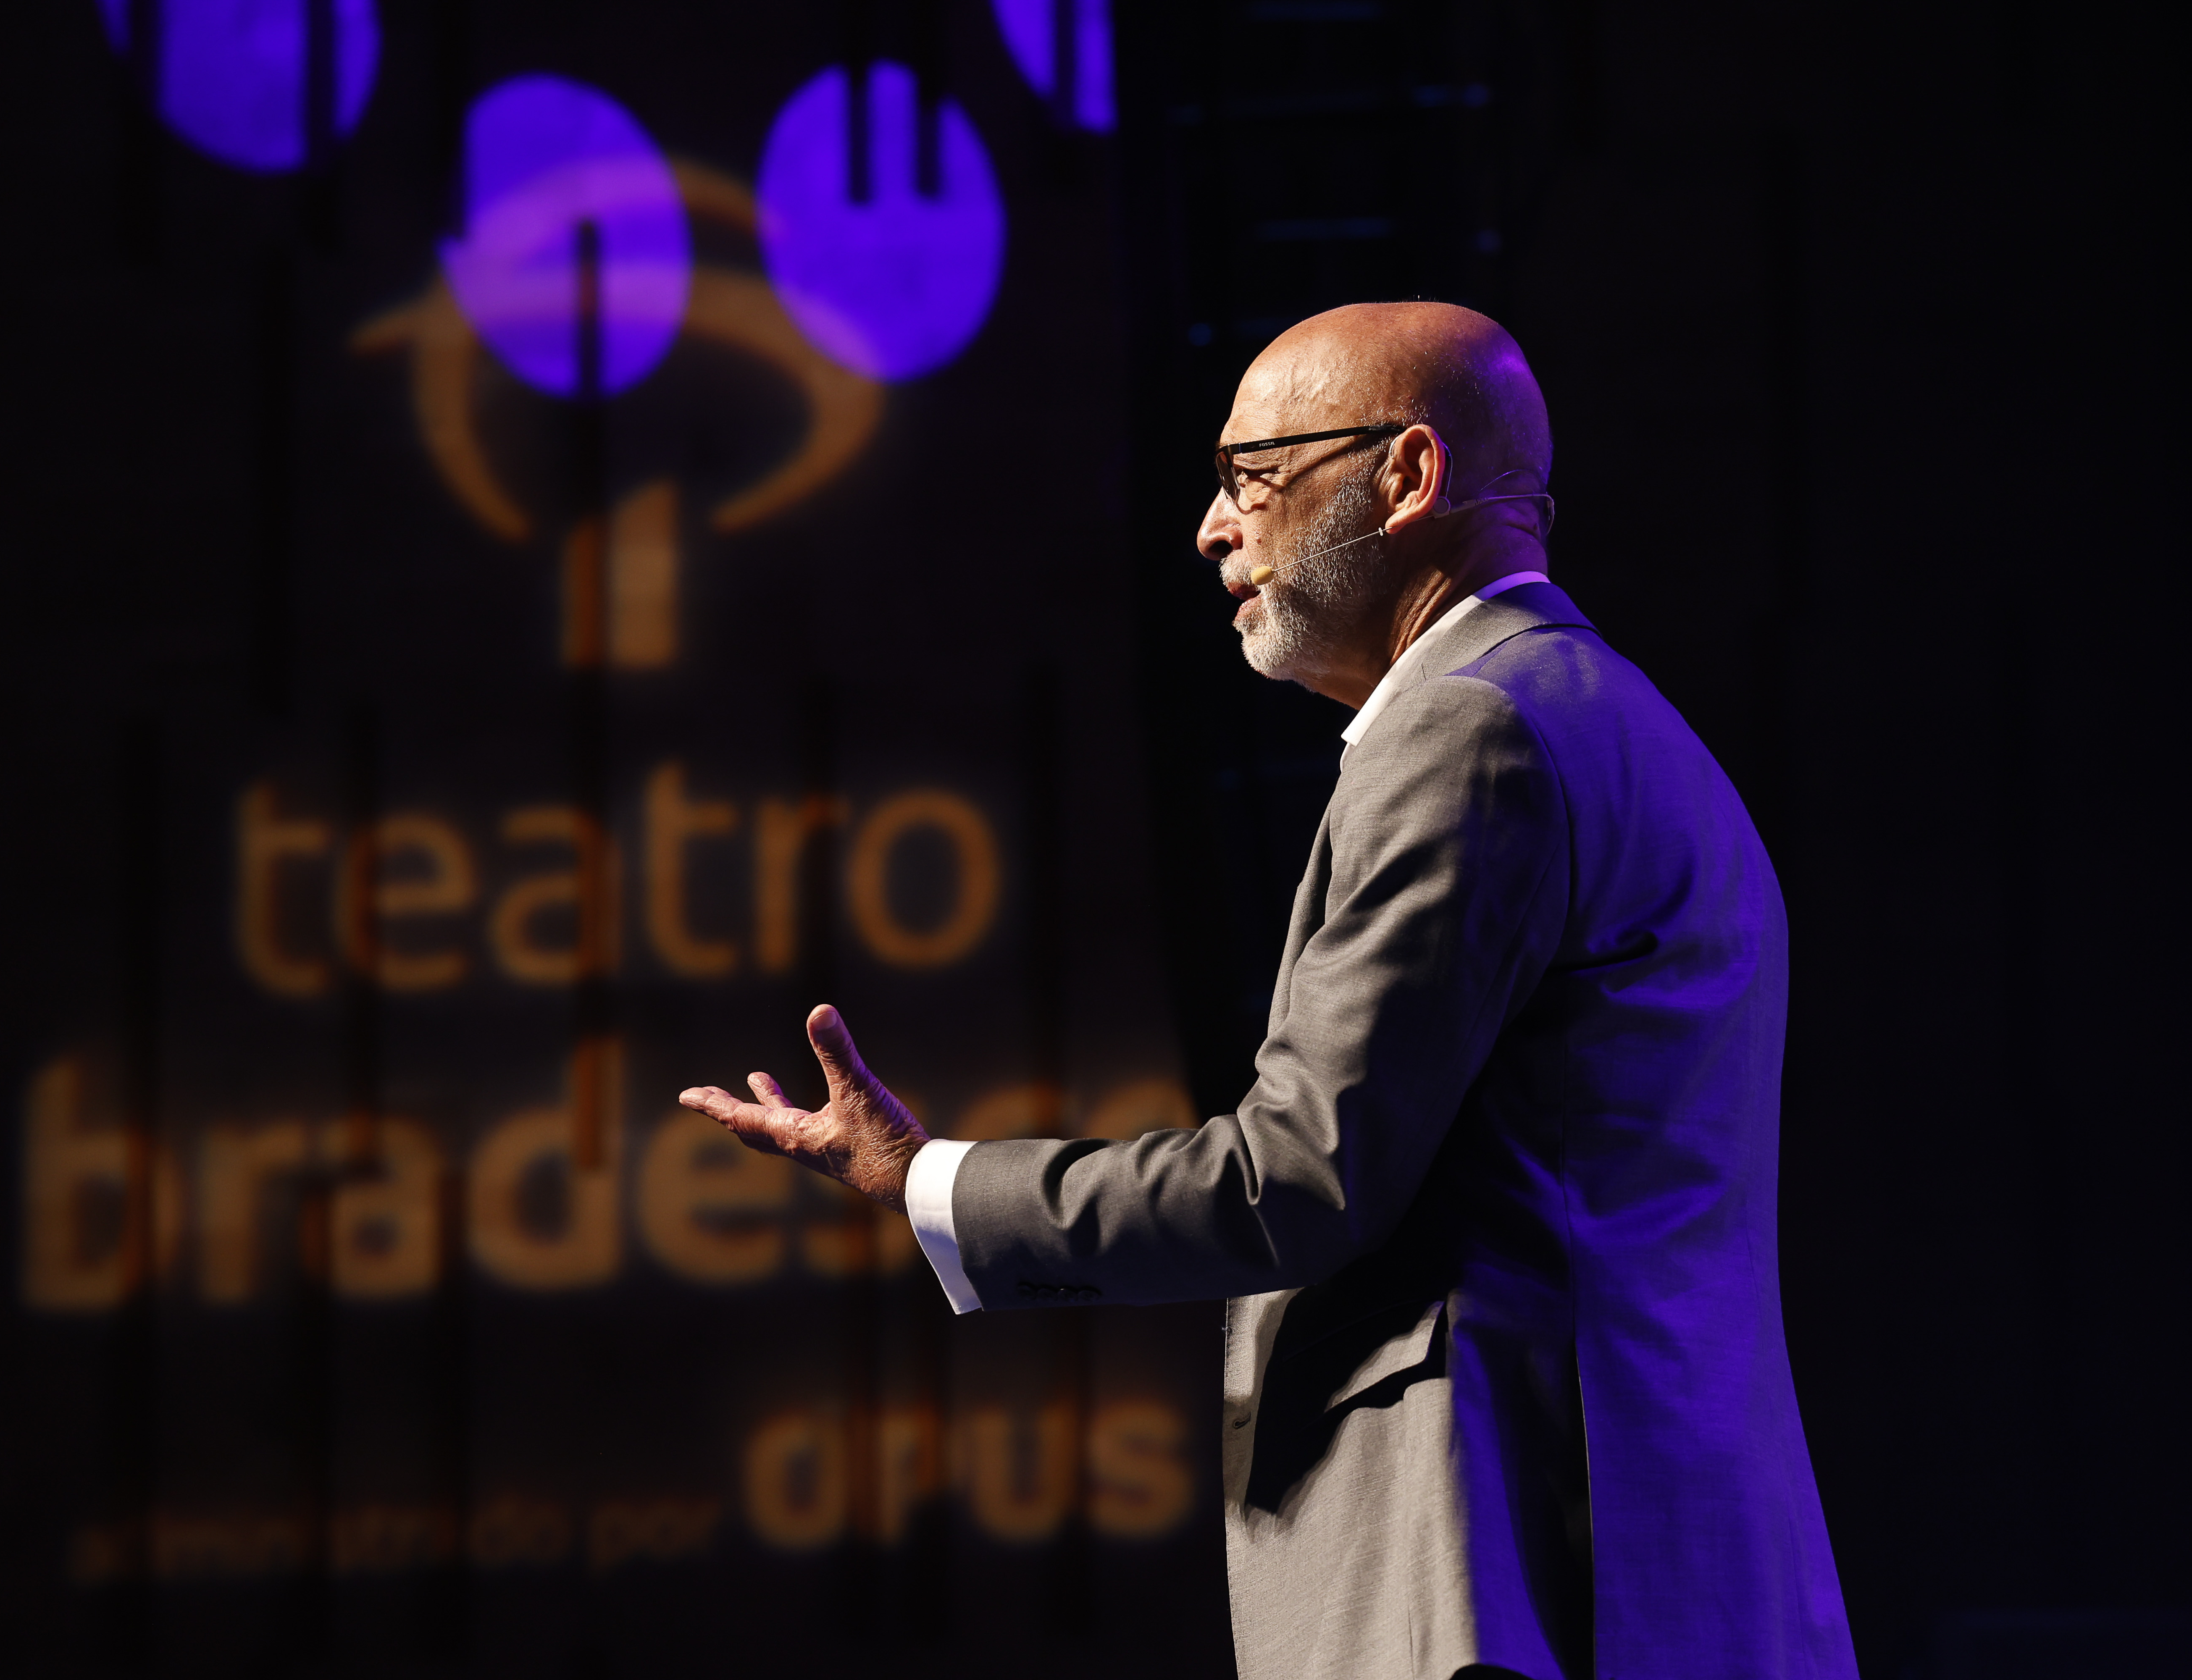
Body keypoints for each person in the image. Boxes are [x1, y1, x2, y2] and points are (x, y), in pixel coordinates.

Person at [679, 302, 1857, 1680]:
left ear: (1408, 477)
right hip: (1654, 1565)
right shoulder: (1605, 718)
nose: (1212, 527)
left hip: (1509, 1577)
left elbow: (1295, 1178)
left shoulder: (1470, 730)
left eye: (1253, 477)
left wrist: (932, 1183)